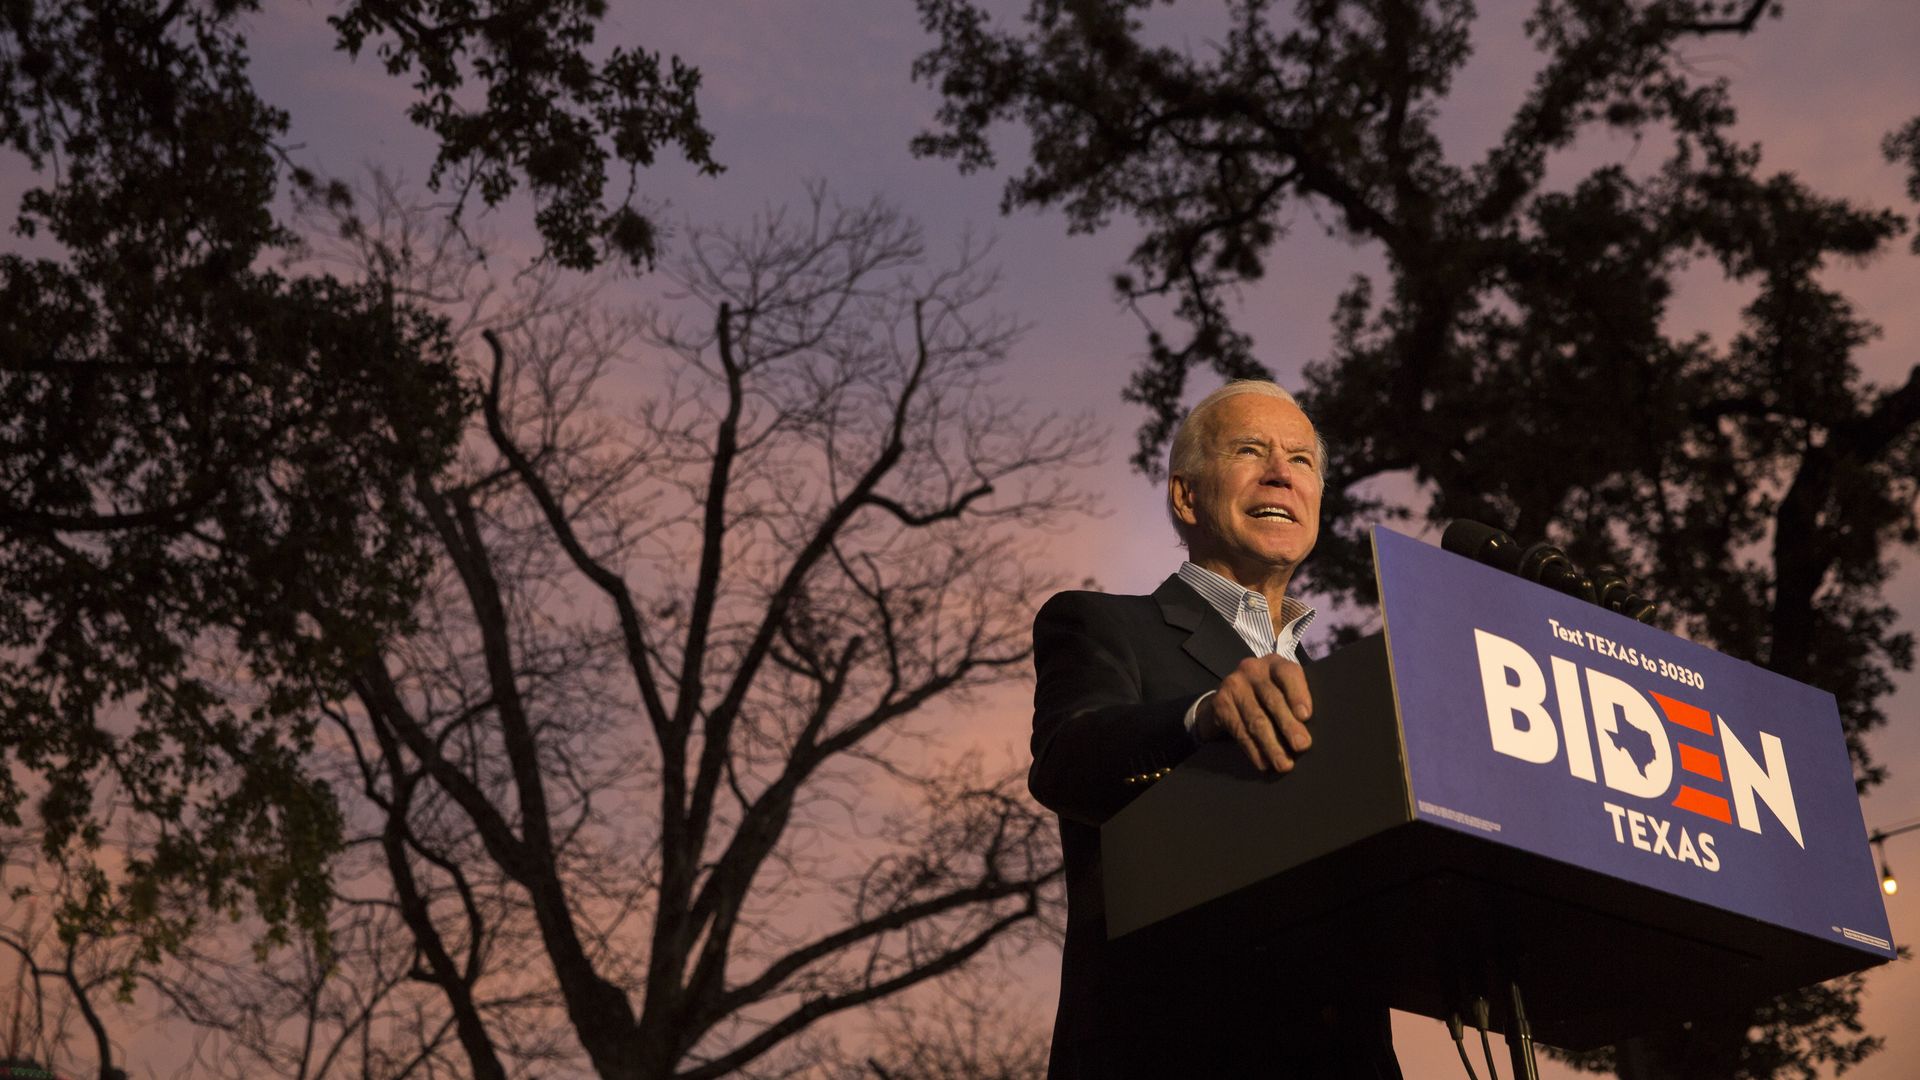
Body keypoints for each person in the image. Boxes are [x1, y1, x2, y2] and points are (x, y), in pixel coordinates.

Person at [1030, 380, 1402, 1079]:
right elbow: (1065, 758)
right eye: (1250, 450)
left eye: (1301, 460)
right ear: (1185, 495)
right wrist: (1201, 717)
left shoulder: (1348, 693)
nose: (1280, 474)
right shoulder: (1103, 626)